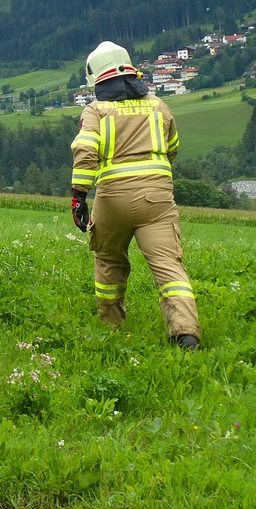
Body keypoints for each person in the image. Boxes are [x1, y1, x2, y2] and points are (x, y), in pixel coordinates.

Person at [69, 40, 202, 350]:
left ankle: (110, 325)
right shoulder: (158, 106)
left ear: (97, 78)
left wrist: (79, 197)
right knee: (169, 265)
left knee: (108, 260)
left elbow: (86, 151)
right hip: (157, 198)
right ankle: (185, 332)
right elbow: (172, 148)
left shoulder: (96, 110)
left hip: (113, 199)